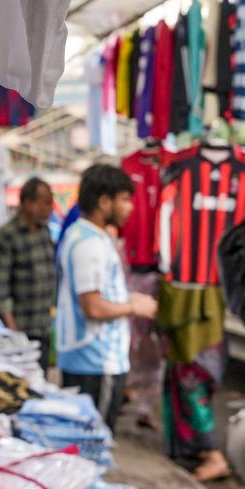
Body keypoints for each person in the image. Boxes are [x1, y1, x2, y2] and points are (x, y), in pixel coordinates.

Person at [55, 164, 157, 429]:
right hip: (96, 363)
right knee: (93, 445)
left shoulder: (84, 235)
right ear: (103, 201)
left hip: (91, 361)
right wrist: (133, 307)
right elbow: (93, 307)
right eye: (124, 200)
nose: (131, 207)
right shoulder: (89, 244)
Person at [0, 177, 57, 370]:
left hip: (43, 328)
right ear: (28, 203)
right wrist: (14, 333)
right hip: (20, 334)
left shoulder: (44, 232)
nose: (50, 208)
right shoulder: (6, 236)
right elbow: (0, 290)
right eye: (46, 203)